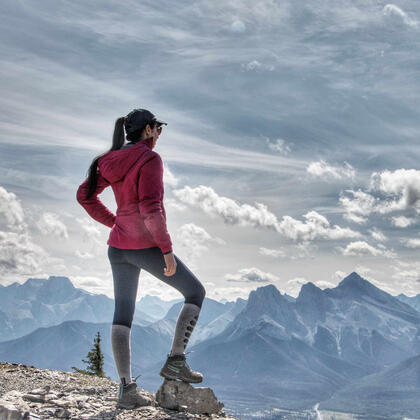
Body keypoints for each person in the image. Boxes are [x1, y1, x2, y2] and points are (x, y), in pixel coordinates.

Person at [76, 108, 206, 409]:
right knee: (195, 292)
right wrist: (166, 249)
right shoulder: (149, 159)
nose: (159, 135)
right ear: (148, 130)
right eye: (158, 129)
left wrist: (115, 223)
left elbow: (85, 196)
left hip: (118, 248)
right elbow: (151, 208)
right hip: (144, 246)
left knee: (123, 314)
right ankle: (175, 360)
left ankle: (126, 390)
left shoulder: (107, 161)